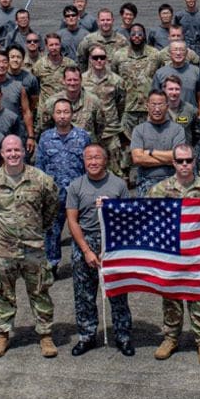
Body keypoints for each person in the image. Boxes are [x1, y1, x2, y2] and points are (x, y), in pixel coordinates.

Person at [0, 134, 60, 358]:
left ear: (24, 152)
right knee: (4, 294)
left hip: (32, 247)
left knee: (40, 291)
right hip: (2, 250)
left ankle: (45, 335)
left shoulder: (40, 179)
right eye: (8, 151)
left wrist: (37, 227)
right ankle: (3, 335)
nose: (13, 154)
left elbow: (51, 209)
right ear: (2, 154)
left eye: (17, 150)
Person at [149, 145, 200, 365]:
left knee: (199, 297)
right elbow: (143, 216)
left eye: (188, 160)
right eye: (180, 161)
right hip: (170, 252)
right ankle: (171, 338)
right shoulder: (160, 189)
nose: (184, 165)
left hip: (196, 253)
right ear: (173, 163)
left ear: (194, 161)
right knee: (170, 298)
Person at [65, 143, 134, 356]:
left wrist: (111, 210)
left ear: (105, 160)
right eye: (89, 158)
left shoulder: (118, 184)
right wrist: (86, 250)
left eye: (97, 158)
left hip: (112, 243)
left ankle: (123, 336)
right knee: (84, 294)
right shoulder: (76, 186)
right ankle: (86, 335)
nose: (93, 162)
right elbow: (72, 220)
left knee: (118, 293)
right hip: (85, 242)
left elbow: (129, 217)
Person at [35, 97, 92, 272]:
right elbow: (39, 167)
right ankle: (52, 263)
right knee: (52, 231)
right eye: (58, 112)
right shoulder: (45, 138)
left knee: (81, 229)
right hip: (54, 194)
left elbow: (90, 164)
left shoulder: (83, 137)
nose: (62, 116)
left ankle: (82, 261)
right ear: (53, 115)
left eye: (66, 112)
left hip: (78, 193)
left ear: (72, 114)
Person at [130, 89, 186, 194]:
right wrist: (169, 159)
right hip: (146, 181)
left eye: (160, 105)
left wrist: (151, 152)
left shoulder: (177, 129)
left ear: (167, 106)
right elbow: (137, 158)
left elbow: (179, 157)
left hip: (172, 182)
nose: (156, 109)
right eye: (153, 105)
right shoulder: (139, 130)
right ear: (147, 106)